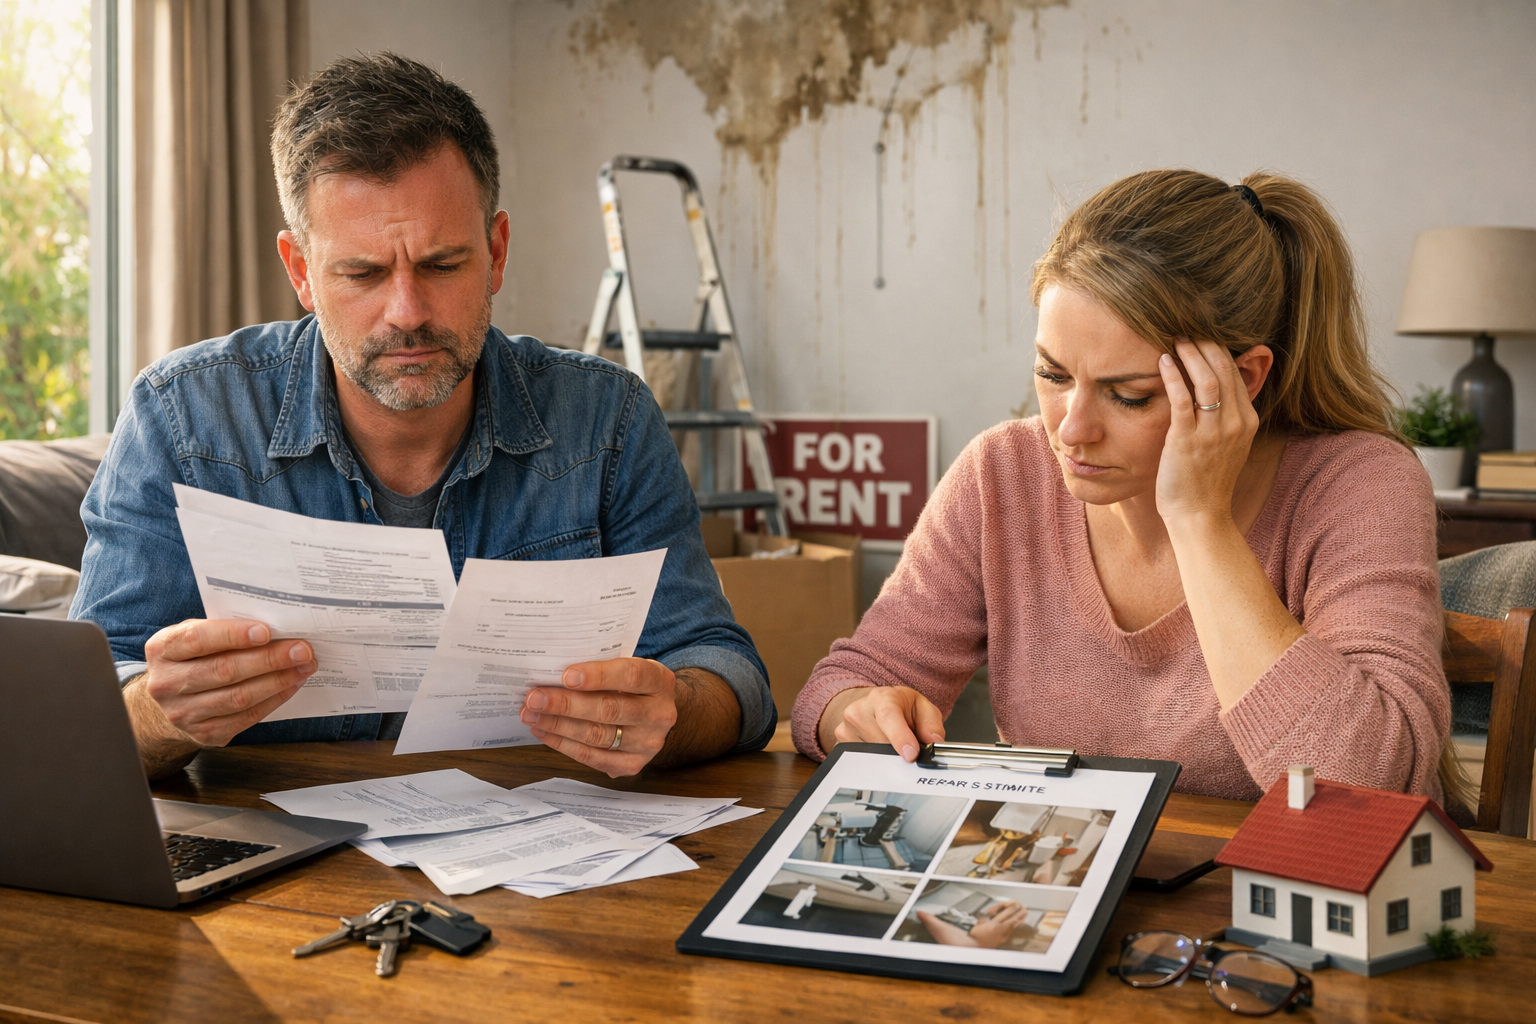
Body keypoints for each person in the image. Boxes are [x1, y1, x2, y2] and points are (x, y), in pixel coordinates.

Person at [72, 53, 772, 781]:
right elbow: (81, 716)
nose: (407, 313)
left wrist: (674, 711)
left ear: (496, 253)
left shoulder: (608, 419)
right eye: (363, 273)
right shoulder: (182, 415)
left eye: (442, 266)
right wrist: (162, 712)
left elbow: (727, 674)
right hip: (271, 873)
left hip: (538, 868)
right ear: (301, 271)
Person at [794, 169, 1454, 804]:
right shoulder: (1002, 473)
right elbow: (837, 692)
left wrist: (1200, 521)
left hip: (1280, 904)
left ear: (1243, 379)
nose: (1071, 431)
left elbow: (1368, 780)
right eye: (1053, 375)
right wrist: (858, 713)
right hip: (1068, 896)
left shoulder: (1359, 484)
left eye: (1129, 395)